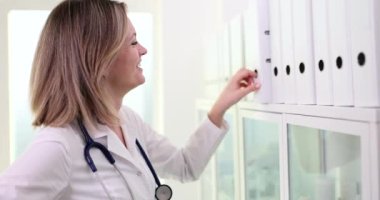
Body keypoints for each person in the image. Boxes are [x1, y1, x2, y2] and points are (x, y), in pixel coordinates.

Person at [0, 0, 261, 199]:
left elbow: (184, 167)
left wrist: (221, 107)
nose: (143, 49)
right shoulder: (59, 144)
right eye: (133, 42)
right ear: (99, 60)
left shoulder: (128, 121)